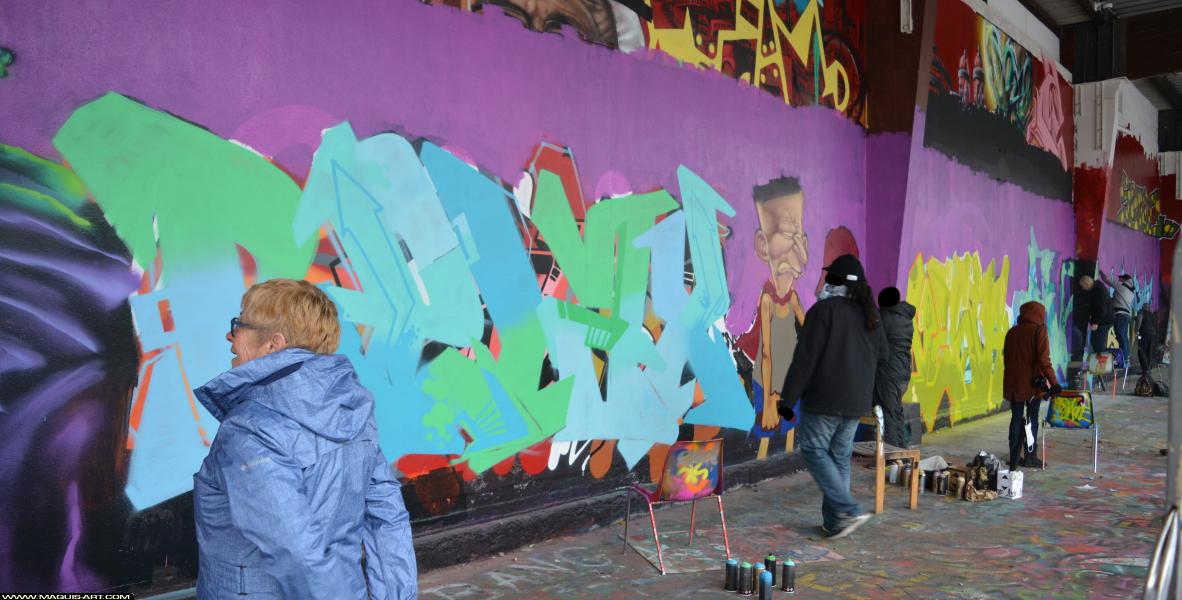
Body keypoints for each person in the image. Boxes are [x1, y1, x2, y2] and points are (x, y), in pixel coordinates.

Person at [193, 279, 417, 599]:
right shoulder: (353, 414)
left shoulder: (248, 430)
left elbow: (296, 553)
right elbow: (388, 521)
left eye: (239, 324)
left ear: (274, 344)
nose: (231, 335)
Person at [777, 254, 888, 539]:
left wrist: (787, 400)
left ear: (834, 281)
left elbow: (805, 360)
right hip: (855, 403)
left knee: (815, 450)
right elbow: (883, 357)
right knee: (839, 455)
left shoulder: (823, 312)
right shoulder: (870, 315)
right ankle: (834, 521)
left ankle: (848, 509)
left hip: (825, 399)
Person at [738, 176, 807, 459]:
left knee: (790, 432)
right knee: (766, 436)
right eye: (786, 235)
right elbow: (765, 353)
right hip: (767, 381)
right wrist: (768, 399)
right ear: (763, 245)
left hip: (789, 380)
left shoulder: (793, 299)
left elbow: (810, 331)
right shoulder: (767, 299)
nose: (795, 246)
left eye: (799, 236)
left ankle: (786, 459)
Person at [1003, 301, 1060, 471]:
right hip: (1032, 384)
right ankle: (1030, 456)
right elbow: (1044, 360)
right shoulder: (1039, 331)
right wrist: (1054, 383)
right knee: (1032, 417)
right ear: (1040, 315)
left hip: (1013, 383)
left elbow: (1006, 358)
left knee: (1016, 417)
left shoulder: (1011, 332)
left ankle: (1014, 457)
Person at [873, 287, 915, 449]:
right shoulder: (905, 317)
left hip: (888, 375)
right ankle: (901, 452)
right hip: (902, 373)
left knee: (888, 415)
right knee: (896, 413)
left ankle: (891, 457)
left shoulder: (885, 319)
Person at [1100, 270, 1136, 365]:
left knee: (1120, 336)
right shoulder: (1131, 293)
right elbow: (1118, 300)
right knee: (1124, 337)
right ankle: (1126, 358)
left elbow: (1106, 279)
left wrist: (1099, 271)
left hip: (1120, 315)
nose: (1119, 279)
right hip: (1126, 316)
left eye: (1121, 278)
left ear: (1125, 280)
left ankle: (1123, 359)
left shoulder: (1121, 287)